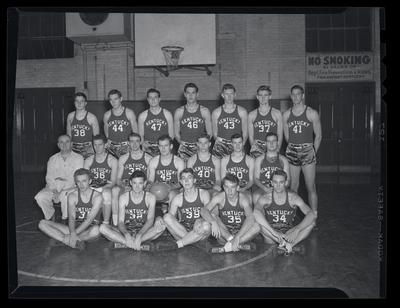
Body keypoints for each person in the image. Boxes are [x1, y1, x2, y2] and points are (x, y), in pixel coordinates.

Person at [99, 170, 166, 251]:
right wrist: (126, 234)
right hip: (126, 230)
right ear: (130, 183)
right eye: (134, 183)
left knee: (161, 227)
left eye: (140, 183)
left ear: (144, 183)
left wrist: (139, 235)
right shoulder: (124, 197)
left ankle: (124, 243)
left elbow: (150, 220)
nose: (137, 186)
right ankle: (134, 243)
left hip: (144, 231)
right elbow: (120, 222)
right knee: (102, 228)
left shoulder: (150, 197)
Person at [254, 169, 316, 254]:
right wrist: (274, 233)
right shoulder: (265, 198)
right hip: (271, 235)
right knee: (258, 223)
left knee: (311, 223)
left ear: (286, 183)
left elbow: (311, 214)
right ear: (271, 183)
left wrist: (297, 229)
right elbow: (256, 213)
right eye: (275, 182)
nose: (278, 185)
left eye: (281, 182)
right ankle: (284, 244)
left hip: (288, 234)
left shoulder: (293, 198)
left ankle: (290, 245)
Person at [282, 85, 322, 219]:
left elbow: (319, 135)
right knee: (293, 186)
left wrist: (312, 151)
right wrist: (294, 147)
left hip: (308, 151)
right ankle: (291, 216)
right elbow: (287, 136)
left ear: (303, 95)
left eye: (298, 94)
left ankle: (314, 216)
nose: (295, 97)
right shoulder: (286, 114)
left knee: (310, 186)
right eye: (293, 94)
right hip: (293, 150)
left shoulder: (311, 113)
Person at [38, 168, 103, 250]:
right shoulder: (72, 196)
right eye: (78, 181)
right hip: (73, 228)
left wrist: (73, 234)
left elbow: (89, 219)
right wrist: (72, 232)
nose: (81, 184)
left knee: (97, 230)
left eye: (84, 181)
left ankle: (65, 239)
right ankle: (71, 241)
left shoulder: (97, 196)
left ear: (90, 181)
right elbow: (71, 217)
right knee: (42, 223)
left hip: (89, 229)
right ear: (76, 182)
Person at [200, 174, 259, 253]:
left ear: (237, 188)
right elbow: (203, 210)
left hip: (241, 234)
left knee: (257, 226)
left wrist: (238, 236)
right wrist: (213, 222)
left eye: (233, 187)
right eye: (227, 187)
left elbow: (250, 218)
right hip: (224, 235)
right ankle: (234, 244)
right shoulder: (219, 197)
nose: (229, 190)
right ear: (224, 187)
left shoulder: (243, 199)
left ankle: (227, 247)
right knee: (212, 216)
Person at [34, 134, 84, 221]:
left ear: (71, 144)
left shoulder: (79, 158)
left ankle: (66, 220)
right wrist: (54, 190)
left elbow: (76, 177)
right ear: (58, 145)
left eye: (67, 142)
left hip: (71, 187)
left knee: (65, 196)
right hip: (54, 188)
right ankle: (50, 215)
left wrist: (61, 191)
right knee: (40, 197)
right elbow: (49, 177)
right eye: (61, 142)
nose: (64, 144)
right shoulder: (52, 159)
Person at [163, 168, 212, 249]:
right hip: (183, 231)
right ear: (181, 182)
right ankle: (192, 242)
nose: (186, 180)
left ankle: (184, 243)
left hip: (200, 229)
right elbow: (170, 218)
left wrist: (199, 220)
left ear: (194, 180)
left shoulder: (203, 194)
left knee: (207, 225)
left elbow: (208, 214)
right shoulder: (177, 198)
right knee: (166, 217)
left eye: (189, 177)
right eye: (183, 178)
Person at [111, 132, 152, 226]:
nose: (134, 144)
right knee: (115, 190)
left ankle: (145, 222)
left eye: (137, 141)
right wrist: (124, 186)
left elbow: (150, 179)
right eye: (132, 141)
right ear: (128, 143)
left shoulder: (148, 158)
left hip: (141, 185)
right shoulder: (123, 158)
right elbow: (118, 179)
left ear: (141, 142)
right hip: (127, 184)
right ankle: (116, 223)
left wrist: (143, 187)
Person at [83, 134, 118, 225]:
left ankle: (105, 223)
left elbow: (113, 181)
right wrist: (92, 189)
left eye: (100, 145)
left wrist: (101, 189)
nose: (97, 147)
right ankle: (91, 221)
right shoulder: (88, 160)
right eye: (95, 145)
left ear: (105, 145)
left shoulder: (112, 160)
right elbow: (84, 179)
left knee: (106, 194)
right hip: (91, 188)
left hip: (105, 187)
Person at [174, 83, 212, 162]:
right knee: (183, 172)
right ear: (185, 94)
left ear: (197, 94)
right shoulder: (179, 111)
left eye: (193, 93)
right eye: (188, 93)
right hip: (184, 147)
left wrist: (203, 145)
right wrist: (182, 143)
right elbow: (176, 133)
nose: (190, 95)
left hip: (199, 146)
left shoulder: (204, 111)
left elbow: (209, 133)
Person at [147, 135, 185, 212]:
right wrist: (154, 187)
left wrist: (169, 187)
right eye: (161, 146)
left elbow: (181, 183)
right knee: (146, 194)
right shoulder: (153, 161)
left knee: (172, 195)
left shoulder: (178, 161)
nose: (163, 148)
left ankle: (170, 218)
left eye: (166, 145)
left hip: (173, 189)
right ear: (158, 146)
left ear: (171, 146)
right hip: (157, 189)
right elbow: (150, 181)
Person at [252, 132, 290, 206]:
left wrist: (279, 189)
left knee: (290, 196)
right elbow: (255, 178)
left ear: (277, 143)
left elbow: (288, 180)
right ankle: (259, 216)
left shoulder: (283, 159)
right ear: (266, 143)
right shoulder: (259, 159)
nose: (271, 143)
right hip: (264, 188)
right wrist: (264, 188)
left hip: (279, 187)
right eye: (269, 141)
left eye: (274, 141)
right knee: (256, 196)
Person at [211, 83, 248, 159]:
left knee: (237, 168)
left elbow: (245, 133)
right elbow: (215, 134)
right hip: (221, 145)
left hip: (236, 144)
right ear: (222, 95)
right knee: (219, 169)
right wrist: (222, 144)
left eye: (231, 94)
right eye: (226, 94)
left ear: (235, 95)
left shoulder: (242, 111)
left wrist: (240, 145)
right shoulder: (216, 112)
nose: (229, 96)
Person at [248, 85, 283, 158]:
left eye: (265, 95)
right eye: (260, 95)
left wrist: (277, 149)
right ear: (257, 97)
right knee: (257, 169)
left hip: (272, 145)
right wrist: (255, 149)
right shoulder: (251, 115)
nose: (263, 98)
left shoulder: (277, 113)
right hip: (257, 146)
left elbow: (280, 135)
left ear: (270, 96)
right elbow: (251, 137)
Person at [138, 88, 174, 157]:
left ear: (159, 99)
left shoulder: (167, 114)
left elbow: (171, 135)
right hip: (149, 147)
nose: (153, 100)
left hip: (163, 146)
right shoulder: (142, 116)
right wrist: (143, 144)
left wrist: (165, 146)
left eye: (155, 97)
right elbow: (141, 135)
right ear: (147, 100)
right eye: (150, 98)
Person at [103, 89, 138, 159]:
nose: (113, 102)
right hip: (112, 147)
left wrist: (133, 145)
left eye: (115, 99)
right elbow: (107, 133)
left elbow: (135, 132)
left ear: (121, 99)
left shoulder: (129, 113)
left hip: (126, 146)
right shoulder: (107, 115)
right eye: (111, 100)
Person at [220, 133, 254, 203]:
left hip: (244, 189)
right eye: (235, 143)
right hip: (229, 189)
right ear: (231, 144)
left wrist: (244, 188)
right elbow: (223, 179)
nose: (237, 145)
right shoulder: (225, 160)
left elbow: (251, 180)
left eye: (239, 142)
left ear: (243, 143)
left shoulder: (250, 160)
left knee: (248, 198)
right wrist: (230, 189)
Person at [66, 92, 100, 159]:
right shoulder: (70, 116)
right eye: (77, 101)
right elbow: (69, 135)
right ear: (74, 103)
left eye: (82, 101)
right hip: (74, 147)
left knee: (87, 168)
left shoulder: (92, 117)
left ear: (85, 103)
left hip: (88, 148)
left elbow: (97, 137)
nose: (79, 103)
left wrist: (96, 150)